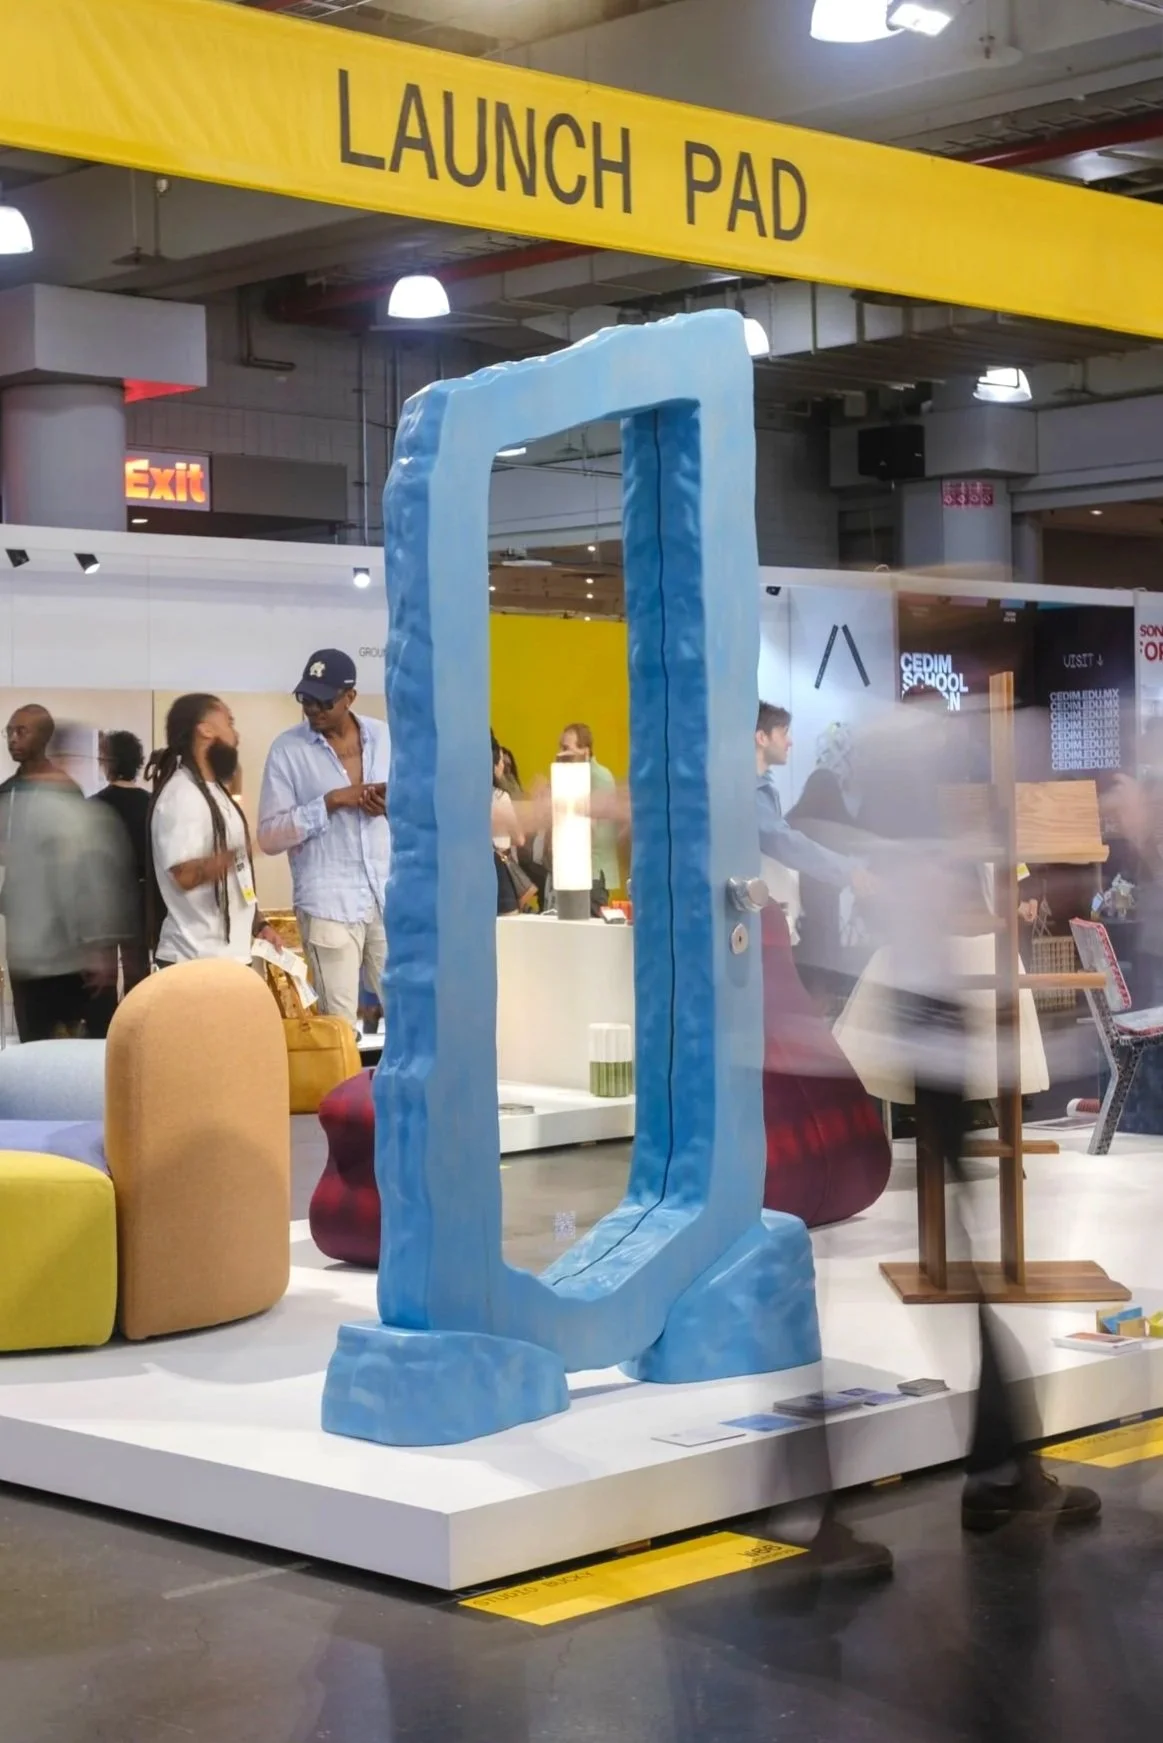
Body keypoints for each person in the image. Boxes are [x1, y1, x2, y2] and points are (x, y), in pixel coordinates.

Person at [257, 650, 389, 1028]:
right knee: (339, 1028)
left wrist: (392, 805)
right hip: (328, 903)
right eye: (305, 699)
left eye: (323, 701)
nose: (313, 710)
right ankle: (346, 1089)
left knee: (409, 1020)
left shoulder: (384, 737)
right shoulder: (287, 750)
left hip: (386, 899)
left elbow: (419, 804)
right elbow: (269, 836)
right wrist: (328, 803)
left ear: (350, 697)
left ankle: (398, 1090)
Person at [0, 705, 131, 1039]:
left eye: (21, 731)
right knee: (41, 1043)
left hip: (67, 956)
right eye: (9, 732)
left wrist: (97, 947)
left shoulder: (71, 801)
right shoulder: (8, 796)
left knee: (82, 1049)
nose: (12, 739)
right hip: (32, 949)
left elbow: (86, 876)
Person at [148, 693, 275, 967]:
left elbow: (233, 879)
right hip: (195, 961)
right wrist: (242, 851)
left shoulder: (215, 792)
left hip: (225, 958)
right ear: (205, 729)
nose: (236, 734)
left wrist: (257, 923)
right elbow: (185, 874)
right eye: (229, 722)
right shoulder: (182, 795)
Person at [755, 704, 869, 894]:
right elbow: (783, 842)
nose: (789, 742)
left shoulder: (764, 791)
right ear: (762, 738)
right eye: (783, 734)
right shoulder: (752, 794)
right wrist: (847, 870)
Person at [87, 731, 152, 1036]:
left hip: (101, 900)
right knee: (138, 972)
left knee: (102, 977)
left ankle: (102, 1040)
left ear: (107, 761)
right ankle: (136, 1036)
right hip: (140, 899)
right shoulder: (151, 805)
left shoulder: (93, 807)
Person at [558, 722, 621, 896]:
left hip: (592, 872)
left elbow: (589, 828)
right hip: (574, 871)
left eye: (566, 748)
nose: (562, 754)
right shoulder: (573, 776)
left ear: (585, 751)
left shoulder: (599, 777)